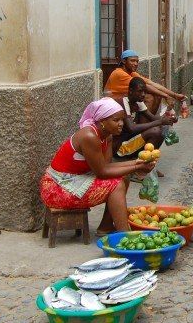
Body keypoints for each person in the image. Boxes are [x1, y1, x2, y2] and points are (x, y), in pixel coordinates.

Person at [39, 98, 156, 234]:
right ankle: (125, 235)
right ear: (102, 121)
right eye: (116, 120)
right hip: (57, 187)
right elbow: (102, 172)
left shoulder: (107, 136)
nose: (121, 124)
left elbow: (107, 166)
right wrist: (137, 166)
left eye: (122, 120)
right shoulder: (89, 136)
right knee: (117, 185)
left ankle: (105, 227)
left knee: (123, 178)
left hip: (75, 178)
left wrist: (138, 163)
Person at [112, 77, 177, 175]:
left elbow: (153, 118)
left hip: (130, 141)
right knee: (155, 131)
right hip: (120, 147)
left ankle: (147, 165)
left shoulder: (138, 102)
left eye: (144, 92)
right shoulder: (123, 102)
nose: (143, 94)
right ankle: (139, 169)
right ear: (130, 91)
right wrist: (160, 122)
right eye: (139, 91)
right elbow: (131, 128)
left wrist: (168, 119)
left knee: (162, 129)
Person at [105, 49, 185, 113]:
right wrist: (166, 96)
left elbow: (151, 84)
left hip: (125, 98)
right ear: (124, 61)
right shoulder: (119, 73)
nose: (136, 63)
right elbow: (145, 87)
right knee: (148, 97)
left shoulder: (132, 73)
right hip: (113, 101)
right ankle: (144, 125)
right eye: (132, 61)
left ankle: (147, 122)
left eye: (137, 61)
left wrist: (174, 95)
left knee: (157, 95)